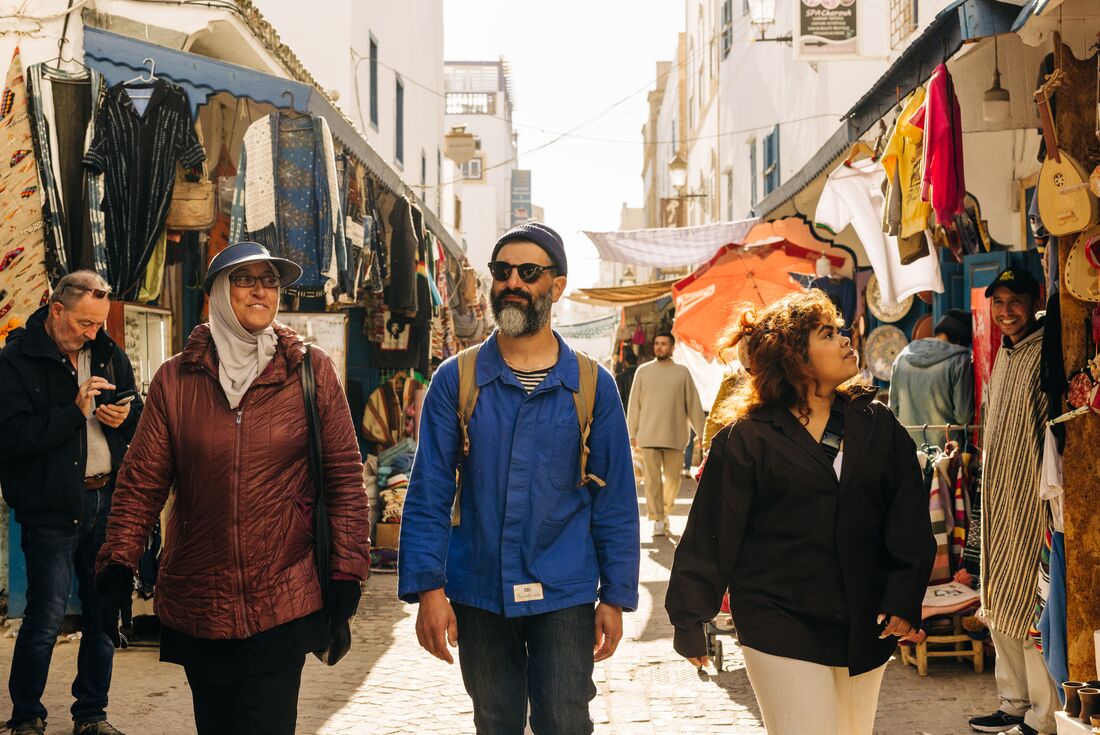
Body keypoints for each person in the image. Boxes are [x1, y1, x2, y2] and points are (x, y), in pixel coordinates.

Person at [94, 242, 371, 734]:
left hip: (283, 593)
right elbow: (141, 483)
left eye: (270, 281)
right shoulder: (176, 379)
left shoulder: (309, 370)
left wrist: (348, 570)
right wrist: (119, 562)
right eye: (246, 280)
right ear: (218, 293)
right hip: (202, 598)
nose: (261, 290)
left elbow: (345, 478)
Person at [399, 222, 639, 735]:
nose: (512, 282)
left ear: (557, 286)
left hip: (566, 590)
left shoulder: (593, 386)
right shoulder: (456, 379)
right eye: (501, 271)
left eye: (528, 272)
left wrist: (615, 596)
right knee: (497, 722)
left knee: (563, 720)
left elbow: (615, 500)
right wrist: (428, 591)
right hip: (480, 587)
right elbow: (429, 493)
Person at [666, 290, 934, 735]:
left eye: (840, 329)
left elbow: (907, 521)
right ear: (795, 357)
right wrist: (689, 617)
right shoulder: (746, 440)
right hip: (779, 621)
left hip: (865, 621)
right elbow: (713, 532)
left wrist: (903, 598)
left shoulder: (878, 425)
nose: (846, 339)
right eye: (828, 334)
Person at [0, 272, 142, 735]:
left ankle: (92, 715)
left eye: (99, 323)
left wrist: (124, 415)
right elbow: (12, 438)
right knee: (45, 617)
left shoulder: (105, 351)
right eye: (84, 323)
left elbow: (135, 409)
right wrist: (72, 412)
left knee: (105, 614)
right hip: (51, 509)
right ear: (56, 310)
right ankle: (26, 717)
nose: (92, 333)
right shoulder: (16, 361)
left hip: (107, 500)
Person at [967, 267, 1058, 735]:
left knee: (1032, 604)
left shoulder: (1045, 351)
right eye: (998, 303)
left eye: (1014, 301)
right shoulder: (1004, 354)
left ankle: (1042, 716)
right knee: (1000, 597)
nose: (1006, 312)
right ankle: (1013, 702)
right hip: (999, 497)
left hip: (1030, 500)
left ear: (1034, 299)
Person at [626, 331, 704, 536]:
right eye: (657, 343)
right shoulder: (643, 371)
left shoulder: (682, 373)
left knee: (672, 480)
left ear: (672, 348)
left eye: (664, 344)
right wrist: (631, 433)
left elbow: (694, 406)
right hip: (648, 437)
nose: (659, 347)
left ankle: (666, 512)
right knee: (652, 482)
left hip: (675, 437)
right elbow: (634, 405)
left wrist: (702, 433)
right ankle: (657, 518)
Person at [889, 308, 974, 442]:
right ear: (960, 340)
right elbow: (963, 417)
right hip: (945, 453)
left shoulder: (902, 357)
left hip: (907, 450)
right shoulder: (960, 361)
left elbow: (893, 410)